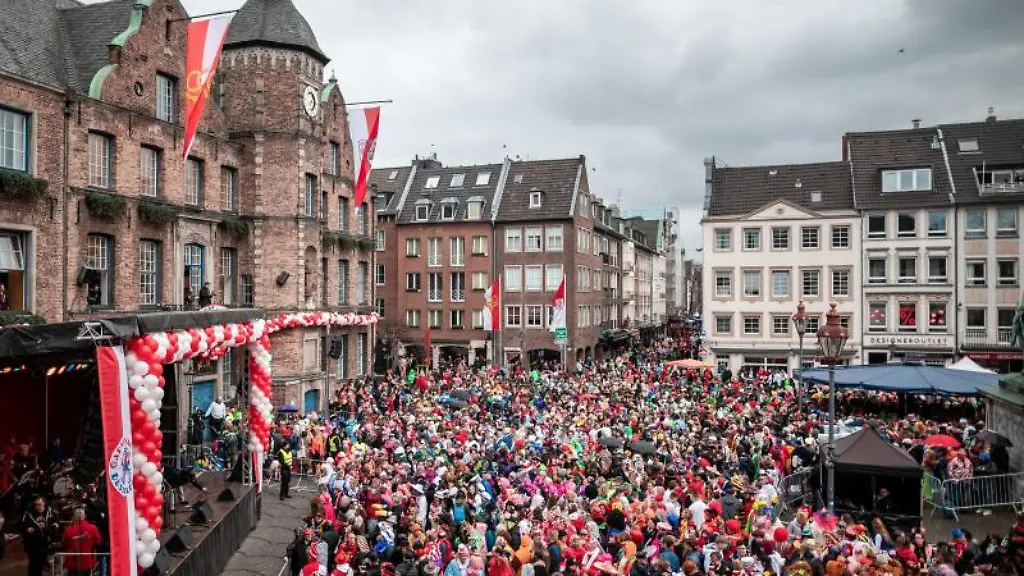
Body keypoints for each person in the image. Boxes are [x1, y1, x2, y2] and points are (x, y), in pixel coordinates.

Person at [61, 507, 103, 576]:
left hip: (72, 564)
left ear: (74, 517)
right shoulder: (93, 528)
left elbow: (63, 543)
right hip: (87, 562)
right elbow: (98, 542)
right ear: (85, 516)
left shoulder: (68, 530)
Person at [22, 495, 57, 576]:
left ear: (44, 503)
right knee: (35, 569)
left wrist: (56, 524)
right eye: (35, 505)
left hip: (48, 545)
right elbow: (22, 525)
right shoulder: (28, 513)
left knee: (51, 568)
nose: (37, 507)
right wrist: (27, 529)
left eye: (39, 504)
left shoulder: (50, 511)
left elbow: (56, 519)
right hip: (33, 547)